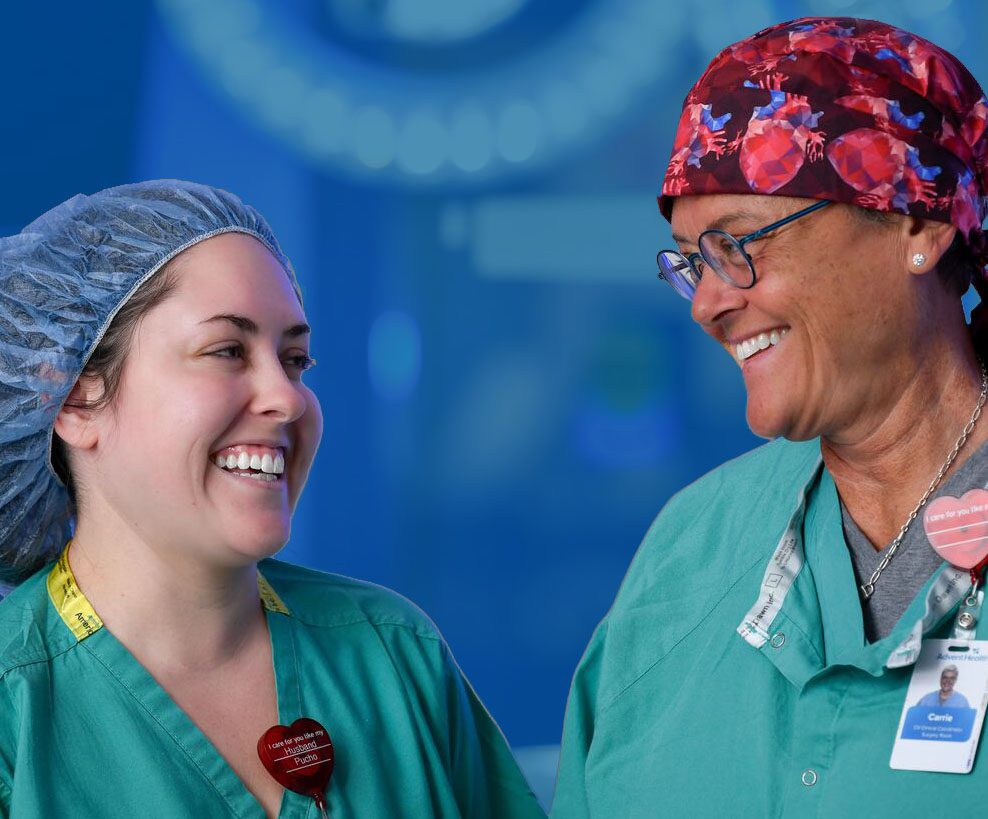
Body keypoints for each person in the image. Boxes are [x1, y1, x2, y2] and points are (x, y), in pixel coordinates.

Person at [552, 16, 988, 817]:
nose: (709, 304)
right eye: (693, 262)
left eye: (741, 243)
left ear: (915, 224)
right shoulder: (690, 552)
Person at [0, 180, 545, 818]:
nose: (287, 399)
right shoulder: (15, 710)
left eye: (294, 359)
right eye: (226, 351)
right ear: (70, 399)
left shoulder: (393, 654)